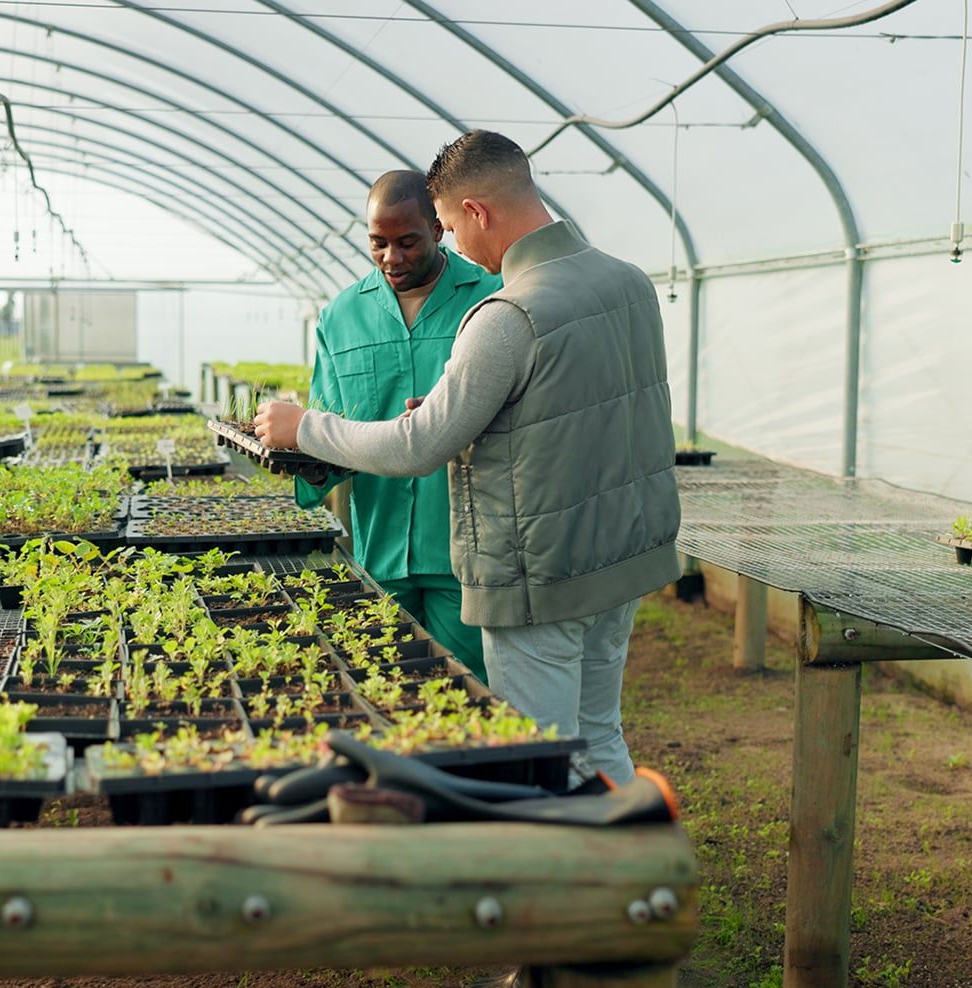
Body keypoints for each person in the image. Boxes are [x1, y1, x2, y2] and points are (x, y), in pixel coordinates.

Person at [255, 130, 680, 787]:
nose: (456, 246)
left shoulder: (507, 312)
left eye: (449, 227)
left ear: (477, 212)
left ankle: (552, 883)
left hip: (538, 573)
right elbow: (585, 408)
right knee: (599, 738)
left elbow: (419, 443)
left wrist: (304, 427)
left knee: (535, 761)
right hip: (618, 561)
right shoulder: (628, 284)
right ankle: (636, 864)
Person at [296, 169, 502, 681]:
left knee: (466, 689)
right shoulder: (341, 316)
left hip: (467, 548)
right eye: (378, 243)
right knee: (388, 687)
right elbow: (328, 424)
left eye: (407, 242)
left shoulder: (492, 298)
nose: (392, 257)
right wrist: (306, 462)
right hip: (380, 546)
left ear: (438, 229)